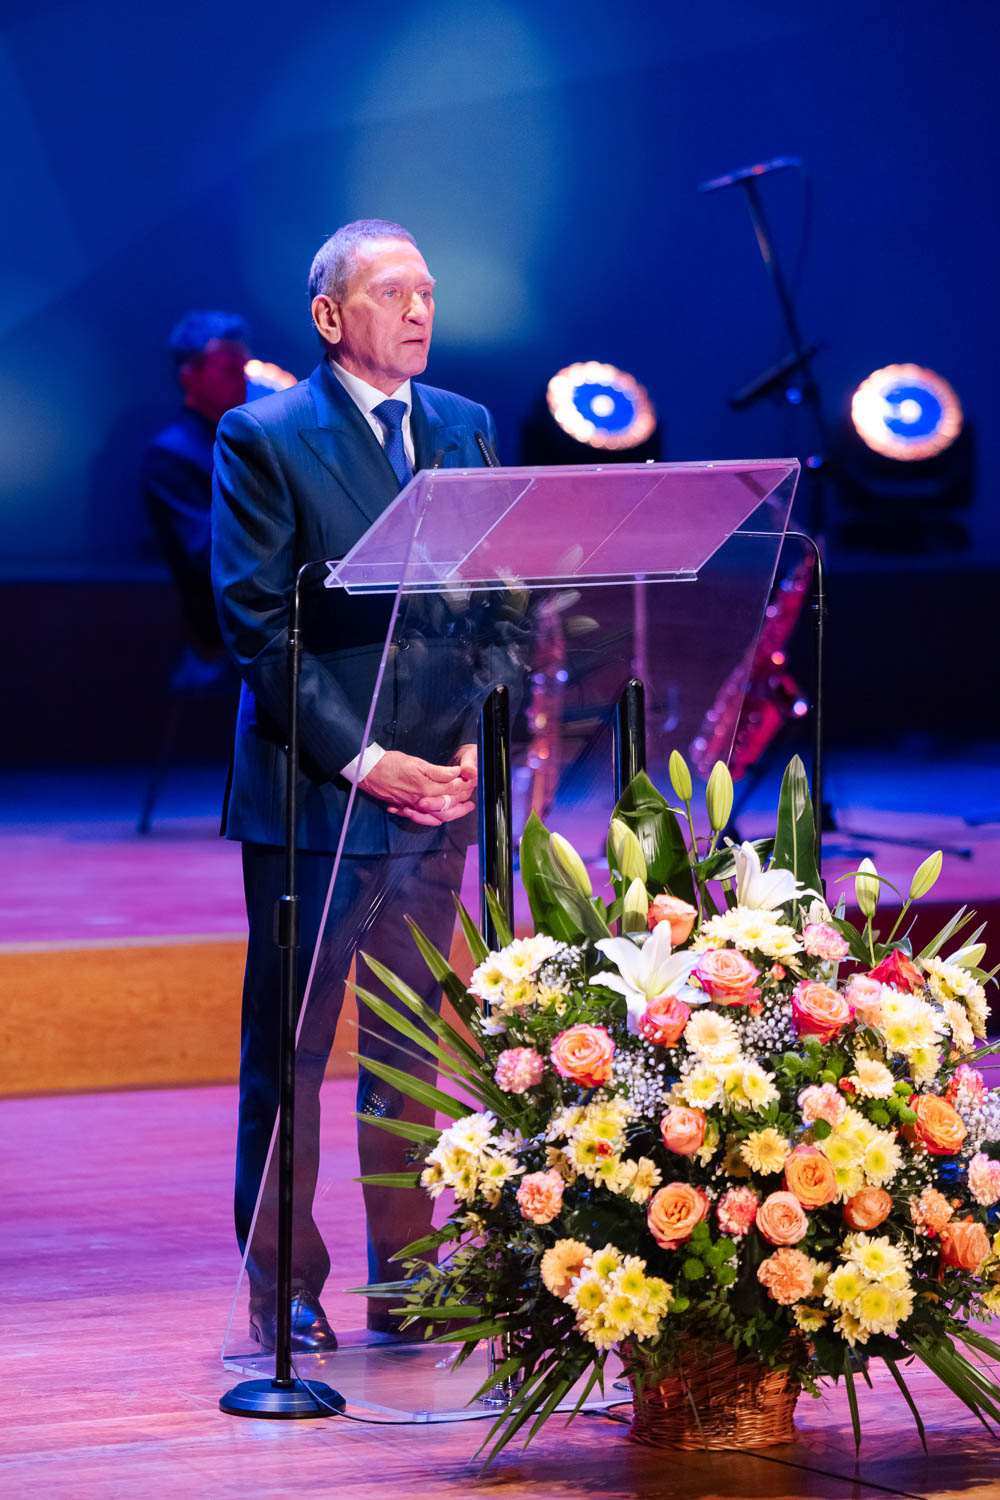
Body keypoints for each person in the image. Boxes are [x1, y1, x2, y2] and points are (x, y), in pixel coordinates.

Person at [212, 220, 509, 1352]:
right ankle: (283, 1289)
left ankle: (410, 1275)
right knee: (290, 1051)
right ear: (330, 316)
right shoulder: (264, 435)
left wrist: (477, 743)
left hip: (438, 794)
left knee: (407, 1049)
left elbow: (500, 601)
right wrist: (368, 759)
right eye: (392, 292)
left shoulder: (466, 426)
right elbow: (258, 627)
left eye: (427, 290)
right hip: (320, 794)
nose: (420, 310)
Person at [143, 311, 250, 664]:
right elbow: (211, 555)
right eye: (229, 369)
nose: (242, 380)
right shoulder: (170, 456)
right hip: (218, 651)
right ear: (189, 375)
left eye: (243, 369)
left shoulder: (248, 439)